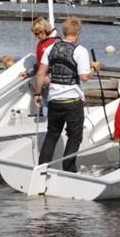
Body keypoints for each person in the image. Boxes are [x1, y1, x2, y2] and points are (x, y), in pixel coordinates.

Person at [34, 17, 100, 172]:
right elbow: (84, 77)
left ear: (64, 31)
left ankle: (42, 167)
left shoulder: (50, 48)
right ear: (78, 32)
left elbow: (40, 74)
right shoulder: (80, 51)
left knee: (52, 134)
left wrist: (37, 94)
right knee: (75, 137)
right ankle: (68, 169)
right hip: (72, 101)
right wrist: (94, 68)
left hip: (54, 100)